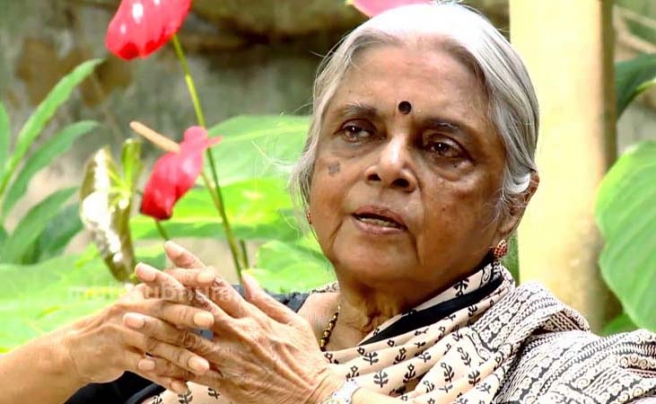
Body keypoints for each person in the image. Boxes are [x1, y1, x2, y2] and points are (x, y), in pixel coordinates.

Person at [5, 2, 656, 403]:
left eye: (442, 147)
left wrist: (314, 393)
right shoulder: (234, 337)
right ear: (314, 168)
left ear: (511, 207)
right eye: (358, 130)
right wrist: (81, 352)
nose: (390, 166)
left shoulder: (566, 374)